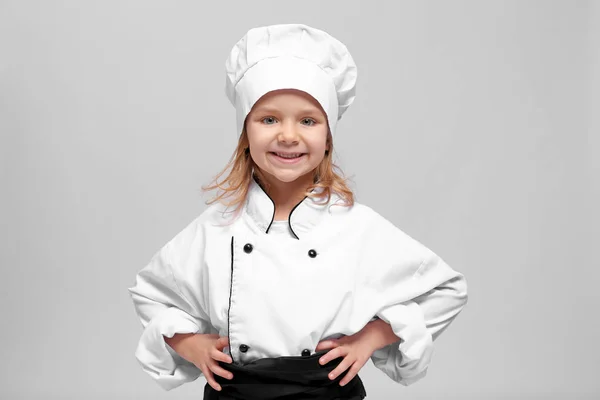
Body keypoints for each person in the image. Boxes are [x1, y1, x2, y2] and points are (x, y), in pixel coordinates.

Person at [127, 23, 468, 400]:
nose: (288, 135)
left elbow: (446, 289)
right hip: (236, 393)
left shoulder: (357, 227)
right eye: (269, 119)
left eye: (307, 120)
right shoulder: (217, 226)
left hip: (325, 392)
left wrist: (373, 336)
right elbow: (152, 293)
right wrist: (188, 343)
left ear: (327, 138)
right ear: (245, 134)